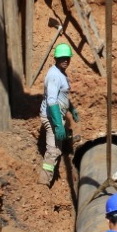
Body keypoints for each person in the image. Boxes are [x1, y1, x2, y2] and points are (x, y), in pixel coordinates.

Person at [40, 43, 78, 185]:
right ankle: (44, 182)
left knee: (58, 145)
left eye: (67, 58)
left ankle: (65, 141)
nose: (65, 60)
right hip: (51, 117)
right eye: (62, 57)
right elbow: (51, 101)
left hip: (56, 115)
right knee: (53, 150)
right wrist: (57, 125)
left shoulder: (61, 73)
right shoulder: (54, 76)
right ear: (56, 58)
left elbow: (61, 95)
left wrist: (71, 108)